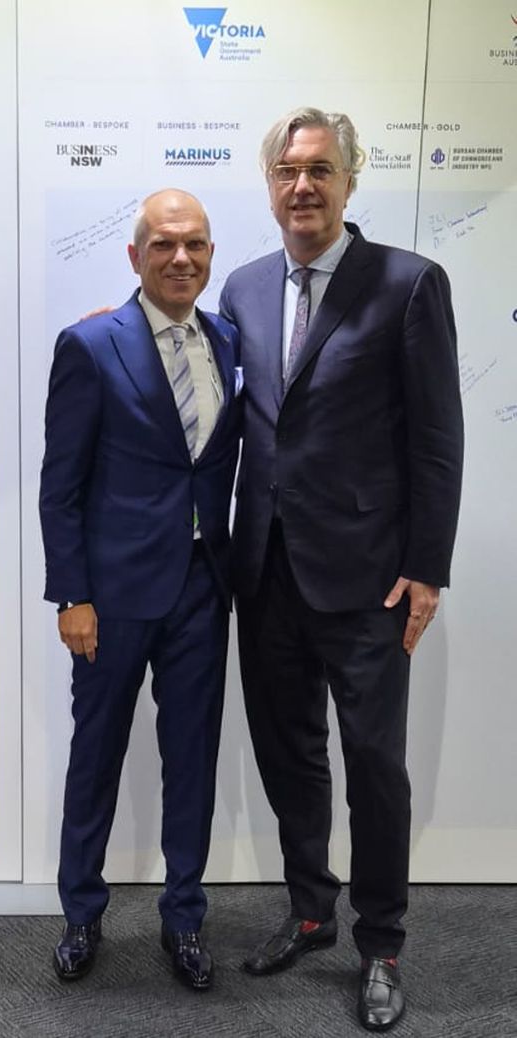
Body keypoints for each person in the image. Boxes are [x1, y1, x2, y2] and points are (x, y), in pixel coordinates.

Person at [219, 108, 463, 1031]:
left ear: (350, 179)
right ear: (269, 184)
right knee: (289, 753)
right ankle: (311, 909)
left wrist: (427, 569)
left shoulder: (408, 283)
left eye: (320, 170)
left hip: (370, 579)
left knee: (374, 766)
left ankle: (382, 943)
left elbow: (437, 438)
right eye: (288, 171)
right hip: (265, 570)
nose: (303, 187)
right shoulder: (243, 287)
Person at [40, 188, 243, 990]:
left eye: (194, 244)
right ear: (135, 256)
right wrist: (72, 597)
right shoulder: (91, 346)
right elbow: (61, 486)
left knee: (191, 762)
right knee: (96, 757)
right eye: (164, 244)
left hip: (203, 589)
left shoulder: (227, 339)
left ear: (211, 254)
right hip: (113, 597)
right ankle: (81, 913)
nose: (180, 258)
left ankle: (184, 918)